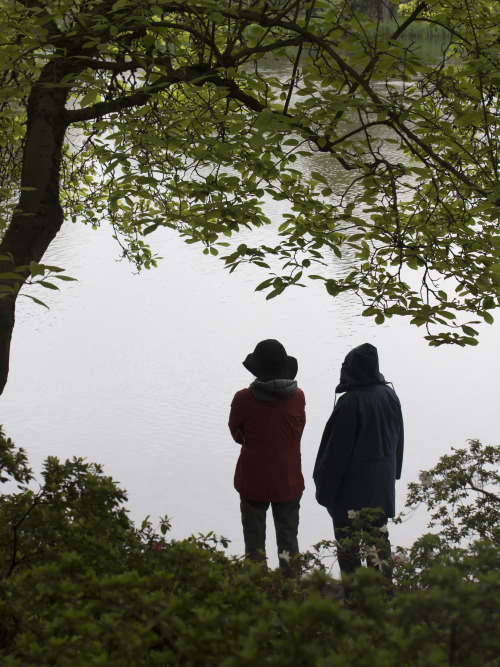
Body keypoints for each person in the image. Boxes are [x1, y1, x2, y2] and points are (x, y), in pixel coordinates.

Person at [313, 343, 404, 586]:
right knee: (379, 538)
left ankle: (355, 598)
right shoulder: (390, 395)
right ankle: (383, 592)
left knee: (348, 544)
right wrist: (394, 473)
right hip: (381, 486)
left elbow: (335, 454)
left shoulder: (349, 403)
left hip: (351, 489)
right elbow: (398, 442)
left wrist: (325, 490)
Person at [229, 339, 306, 576]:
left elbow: (236, 434)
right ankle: (292, 592)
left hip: (253, 479)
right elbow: (299, 429)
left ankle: (256, 593)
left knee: (254, 545)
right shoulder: (298, 397)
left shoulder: (243, 399)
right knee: (288, 542)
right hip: (288, 480)